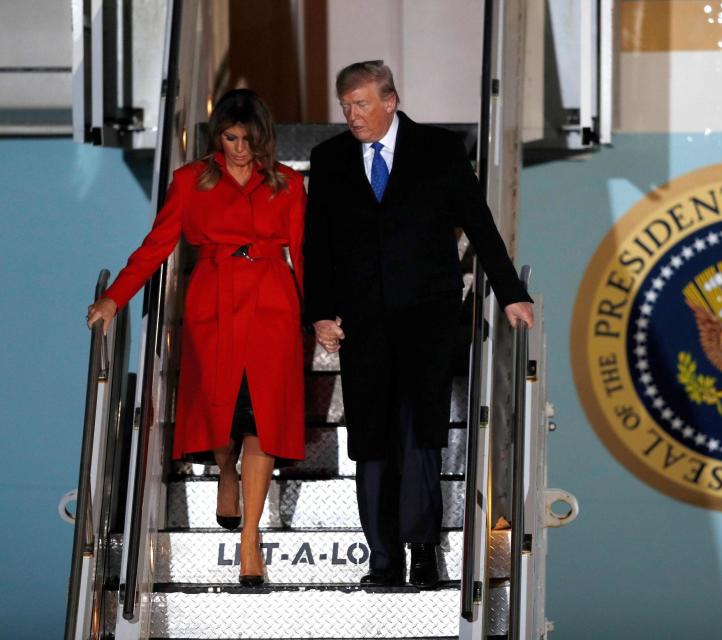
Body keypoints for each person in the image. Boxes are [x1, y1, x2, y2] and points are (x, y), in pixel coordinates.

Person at [303, 61, 534, 588]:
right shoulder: (330, 158)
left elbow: (479, 223)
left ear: (390, 100)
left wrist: (510, 293)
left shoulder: (439, 150)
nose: (352, 115)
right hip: (361, 323)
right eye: (345, 106)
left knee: (419, 434)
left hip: (427, 318)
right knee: (370, 439)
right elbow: (318, 246)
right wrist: (319, 311)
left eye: (361, 104)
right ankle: (382, 557)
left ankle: (424, 550)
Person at [86, 89, 305, 587]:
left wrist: (321, 317)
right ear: (217, 136)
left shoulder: (288, 184)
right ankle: (225, 473)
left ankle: (250, 539)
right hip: (214, 306)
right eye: (231, 138)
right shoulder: (190, 181)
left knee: (262, 420)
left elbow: (305, 253)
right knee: (222, 419)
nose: (240, 149)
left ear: (263, 137)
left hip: (273, 306)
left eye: (249, 139)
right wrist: (114, 298)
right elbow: (155, 246)